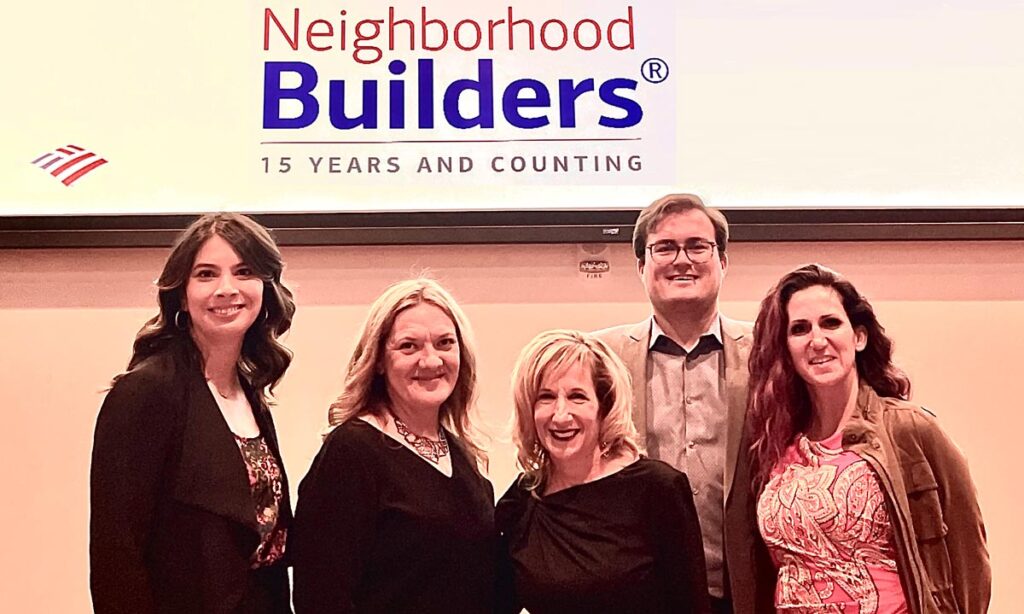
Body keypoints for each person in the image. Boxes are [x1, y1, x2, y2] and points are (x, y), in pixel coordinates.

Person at [747, 263, 990, 614]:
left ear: (858, 336)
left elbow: (970, 559)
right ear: (786, 347)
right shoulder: (777, 441)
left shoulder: (909, 429)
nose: (817, 340)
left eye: (830, 323)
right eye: (799, 329)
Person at [89, 213, 297, 614]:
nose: (227, 289)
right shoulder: (146, 393)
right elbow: (117, 557)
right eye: (206, 274)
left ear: (264, 287)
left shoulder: (249, 391)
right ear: (181, 294)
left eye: (244, 271)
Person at [594, 193, 775, 614]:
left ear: (723, 261)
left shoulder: (769, 353)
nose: (682, 260)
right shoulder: (600, 356)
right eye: (665, 247)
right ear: (641, 266)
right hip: (636, 592)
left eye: (698, 246)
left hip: (744, 592)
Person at [290, 278, 495, 614]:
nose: (430, 360)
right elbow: (321, 598)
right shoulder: (353, 452)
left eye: (444, 343)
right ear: (379, 361)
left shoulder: (462, 456)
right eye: (409, 346)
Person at [497, 329, 711, 614]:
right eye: (546, 397)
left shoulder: (657, 488)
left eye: (577, 397)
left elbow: (691, 606)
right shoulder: (522, 501)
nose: (560, 415)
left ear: (604, 407)